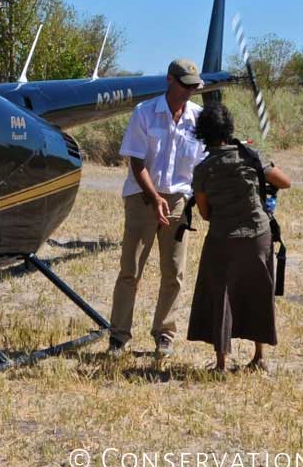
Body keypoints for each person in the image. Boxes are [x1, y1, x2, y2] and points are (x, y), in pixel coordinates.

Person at [107, 58, 207, 357]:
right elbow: (136, 162)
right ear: (169, 80)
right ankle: (119, 337)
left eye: (194, 87)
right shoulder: (145, 113)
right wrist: (154, 198)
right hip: (142, 198)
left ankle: (164, 334)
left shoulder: (198, 119)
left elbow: (201, 165)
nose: (189, 92)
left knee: (173, 272)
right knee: (130, 270)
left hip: (179, 201)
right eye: (185, 85)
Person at [186, 103, 292, 371]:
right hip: (258, 234)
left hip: (222, 237)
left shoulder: (204, 169)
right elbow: (284, 182)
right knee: (258, 291)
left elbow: (205, 212)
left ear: (202, 133)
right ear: (229, 128)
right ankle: (259, 357)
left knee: (220, 295)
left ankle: (221, 363)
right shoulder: (250, 156)